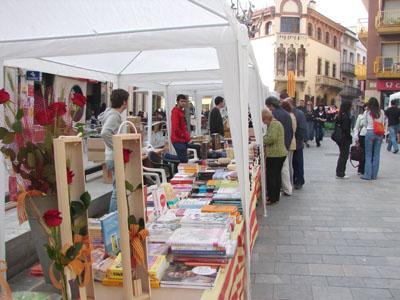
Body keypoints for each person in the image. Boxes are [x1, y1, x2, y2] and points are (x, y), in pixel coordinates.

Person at [99, 89, 129, 212]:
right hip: (114, 156)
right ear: (124, 102)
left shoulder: (110, 114)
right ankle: (113, 219)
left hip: (111, 156)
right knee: (117, 191)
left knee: (117, 189)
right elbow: (105, 133)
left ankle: (117, 217)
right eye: (127, 100)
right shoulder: (115, 116)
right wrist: (117, 148)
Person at [265, 96, 293, 196]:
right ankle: (287, 189)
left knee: (279, 171)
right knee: (284, 169)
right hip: (285, 144)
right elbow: (290, 130)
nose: (269, 109)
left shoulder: (275, 115)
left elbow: (273, 136)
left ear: (272, 105)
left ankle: (283, 190)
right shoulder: (286, 113)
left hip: (278, 147)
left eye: (269, 107)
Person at [262, 108, 287, 204]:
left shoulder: (274, 124)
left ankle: (272, 198)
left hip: (275, 154)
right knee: (276, 176)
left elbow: (271, 138)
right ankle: (275, 197)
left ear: (266, 118)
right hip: (278, 154)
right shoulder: (275, 123)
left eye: (264, 120)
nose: (264, 123)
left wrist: (262, 139)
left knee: (272, 176)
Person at [362, 97, 385, 180]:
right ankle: (374, 175)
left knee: (368, 154)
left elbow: (364, 124)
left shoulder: (367, 112)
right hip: (379, 133)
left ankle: (367, 175)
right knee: (376, 154)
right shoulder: (381, 112)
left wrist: (370, 125)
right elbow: (383, 122)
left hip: (370, 132)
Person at [288, 98, 307, 189]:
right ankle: (298, 180)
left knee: (298, 162)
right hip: (295, 141)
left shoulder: (298, 113)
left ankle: (299, 180)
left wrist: (299, 139)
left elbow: (302, 128)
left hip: (296, 142)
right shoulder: (297, 113)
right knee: (296, 162)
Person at [335, 100, 353, 179]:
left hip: (340, 138)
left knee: (342, 155)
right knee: (344, 156)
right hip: (344, 138)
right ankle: (340, 173)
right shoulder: (346, 116)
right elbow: (346, 129)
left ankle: (339, 172)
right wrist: (350, 138)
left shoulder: (340, 115)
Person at [171, 94, 191, 163]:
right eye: (182, 101)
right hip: (178, 139)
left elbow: (183, 126)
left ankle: (177, 171)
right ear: (177, 101)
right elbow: (176, 128)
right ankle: (166, 156)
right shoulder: (176, 112)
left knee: (183, 160)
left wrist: (186, 137)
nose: (183, 103)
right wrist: (184, 136)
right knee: (183, 160)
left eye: (185, 101)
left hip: (181, 139)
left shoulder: (180, 111)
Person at [281, 100, 297, 186]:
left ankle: (289, 183)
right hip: (292, 141)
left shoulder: (289, 116)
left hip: (289, 142)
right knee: (289, 164)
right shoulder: (292, 115)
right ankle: (290, 182)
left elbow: (291, 130)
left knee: (288, 165)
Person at [353, 105, 367, 175]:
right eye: (366, 107)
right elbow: (356, 127)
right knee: (362, 153)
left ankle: (367, 169)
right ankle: (361, 169)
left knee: (368, 154)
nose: (367, 108)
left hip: (370, 136)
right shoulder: (360, 116)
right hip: (362, 136)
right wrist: (356, 137)